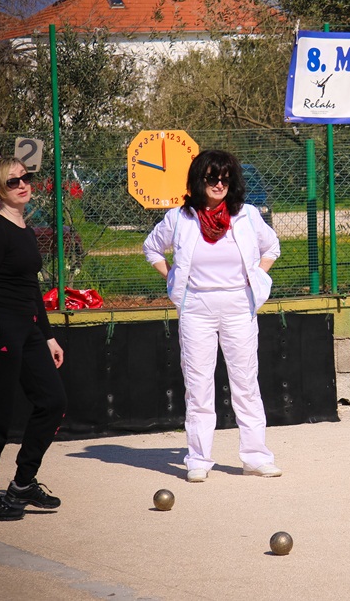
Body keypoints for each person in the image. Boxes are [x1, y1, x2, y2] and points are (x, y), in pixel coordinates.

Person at [143, 149, 282, 482]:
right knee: (198, 385)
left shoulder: (247, 215)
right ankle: (198, 459)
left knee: (246, 383)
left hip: (238, 307)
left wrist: (258, 278)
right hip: (196, 309)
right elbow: (151, 248)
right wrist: (173, 277)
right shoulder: (180, 218)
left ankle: (255, 456)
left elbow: (271, 247)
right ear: (198, 180)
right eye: (211, 177)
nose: (219, 184)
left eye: (225, 177)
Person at [0, 157, 67, 521]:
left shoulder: (23, 227)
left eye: (26, 178)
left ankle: (23, 483)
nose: (23, 185)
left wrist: (48, 336)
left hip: (29, 331)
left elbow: (31, 290)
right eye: (13, 182)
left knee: (53, 400)